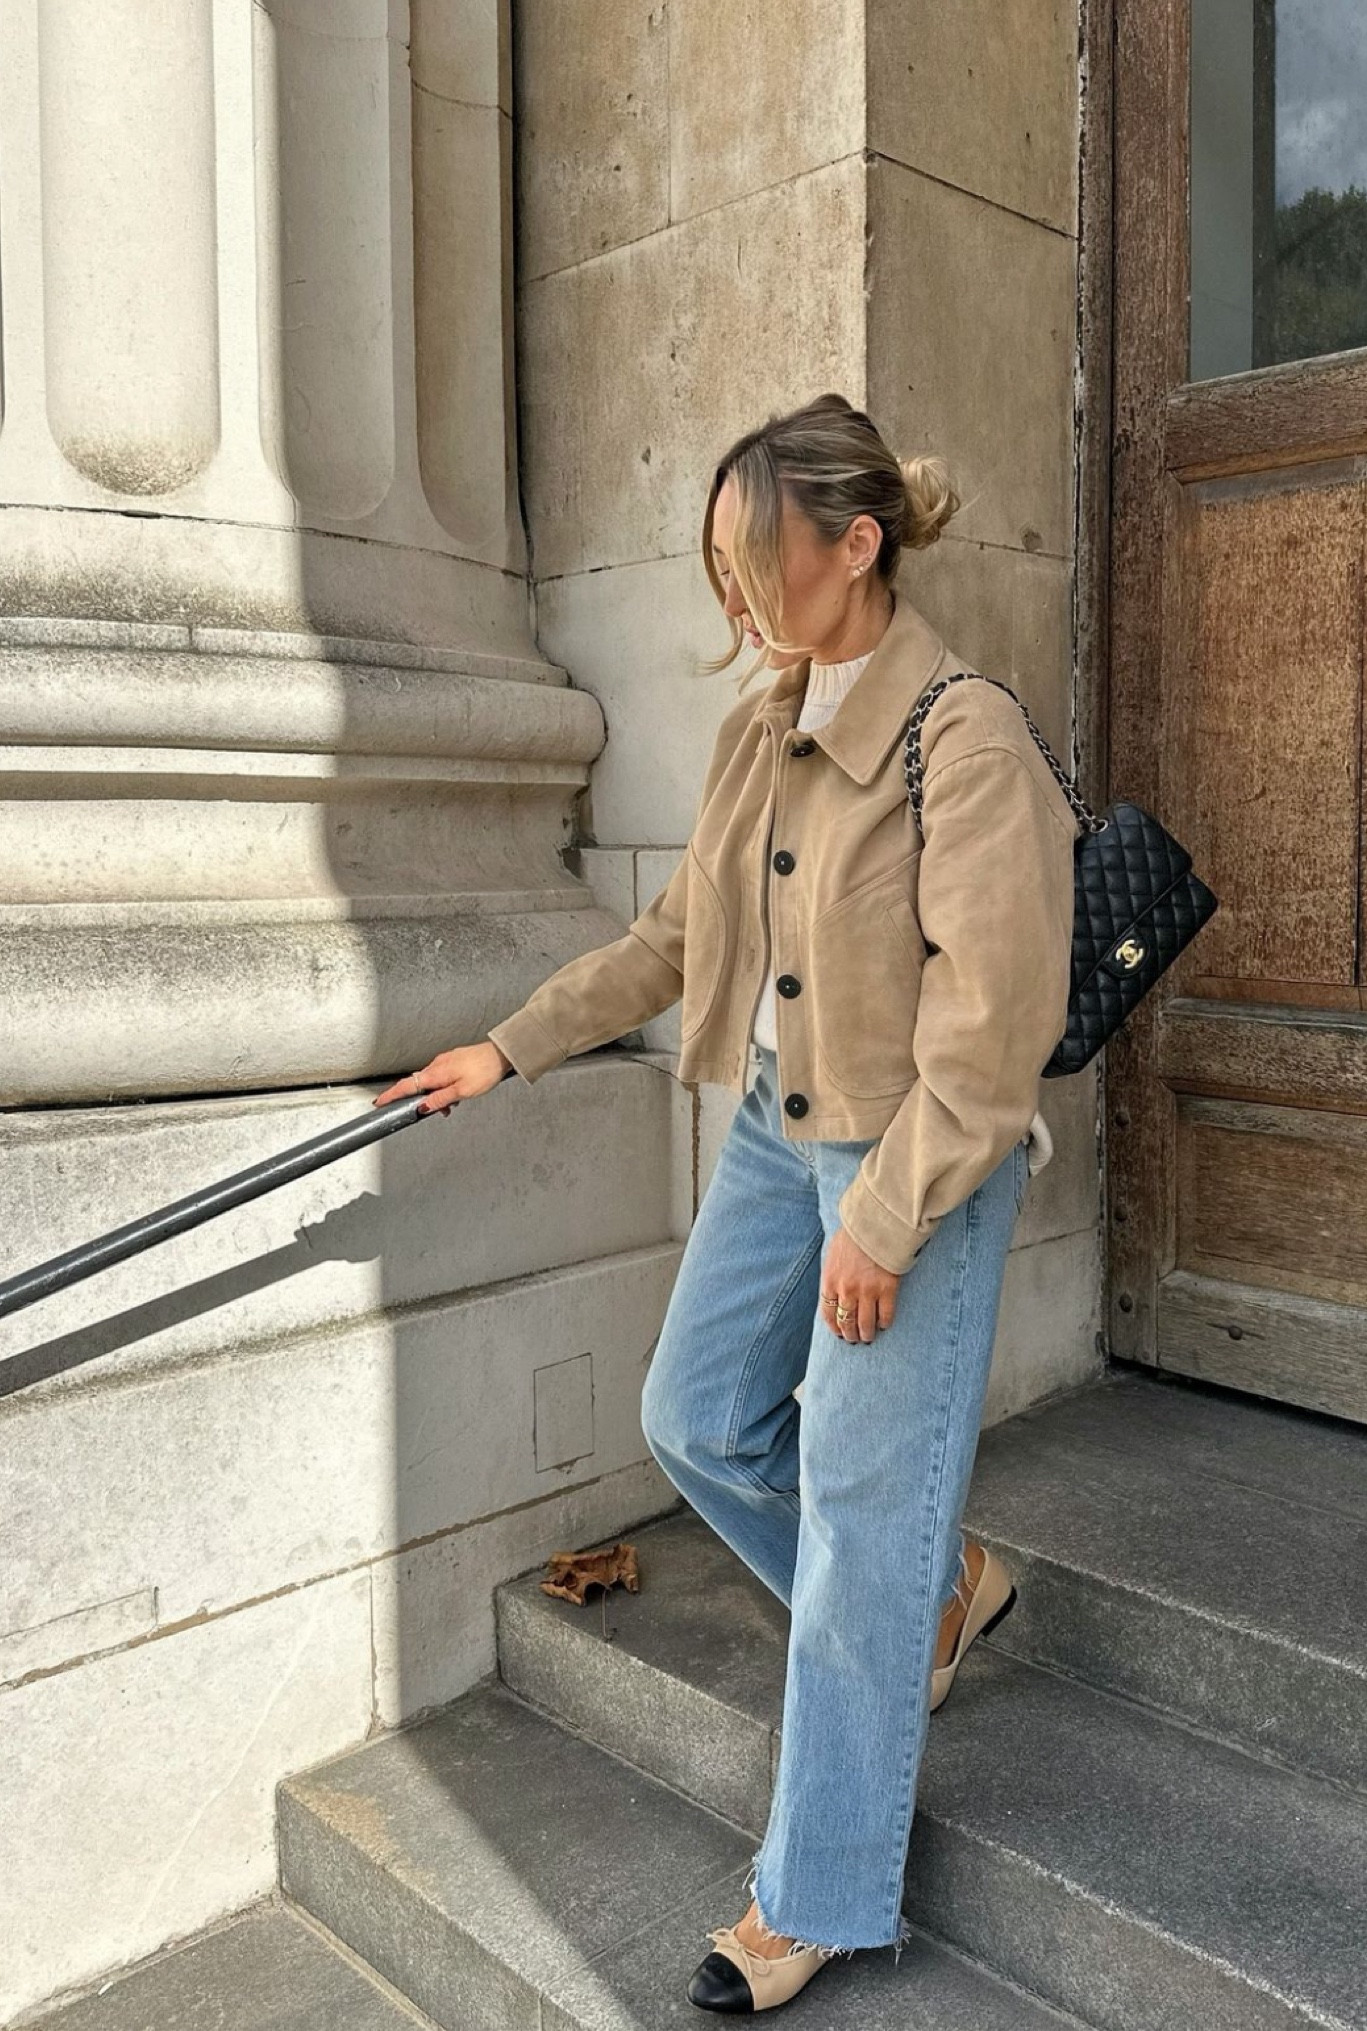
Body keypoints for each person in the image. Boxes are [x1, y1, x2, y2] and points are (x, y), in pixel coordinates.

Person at [374, 392, 1078, 2012]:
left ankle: (815, 1891)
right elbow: (677, 941)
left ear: (860, 541)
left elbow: (994, 1034)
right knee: (694, 1412)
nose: (740, 595)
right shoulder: (766, 726)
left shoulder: (959, 734)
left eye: (759, 557)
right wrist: (508, 1046)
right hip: (781, 1128)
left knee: (849, 1525)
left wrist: (883, 1225)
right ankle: (942, 1590)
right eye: (717, 564)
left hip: (916, 1157)